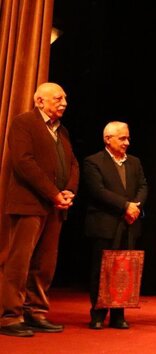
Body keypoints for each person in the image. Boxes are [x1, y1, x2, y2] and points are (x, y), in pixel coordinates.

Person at [0, 83, 79, 337]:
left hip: (55, 207)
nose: (64, 102)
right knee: (19, 262)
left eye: (65, 98)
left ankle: (35, 311)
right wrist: (53, 193)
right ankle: (10, 316)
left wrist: (69, 190)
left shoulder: (62, 130)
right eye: (58, 98)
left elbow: (73, 164)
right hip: (29, 204)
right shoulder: (24, 123)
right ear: (40, 101)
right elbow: (24, 163)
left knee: (44, 264)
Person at [82, 121, 148, 330]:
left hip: (129, 224)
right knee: (102, 271)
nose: (127, 142)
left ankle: (119, 315)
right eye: (122, 138)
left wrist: (135, 207)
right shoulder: (93, 162)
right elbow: (97, 191)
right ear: (107, 139)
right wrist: (125, 206)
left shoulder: (134, 162)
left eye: (128, 138)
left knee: (124, 270)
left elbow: (143, 186)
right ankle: (98, 314)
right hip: (105, 224)